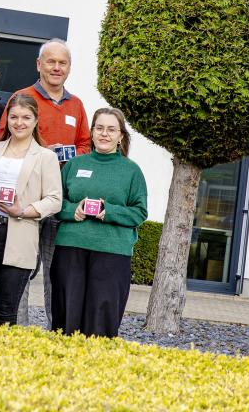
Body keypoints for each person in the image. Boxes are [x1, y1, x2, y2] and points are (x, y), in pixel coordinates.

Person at [0, 38, 90, 325]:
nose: (56, 67)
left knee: (55, 272)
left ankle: (57, 331)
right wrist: (39, 152)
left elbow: (85, 145)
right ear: (39, 65)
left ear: (70, 68)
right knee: (20, 267)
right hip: (24, 198)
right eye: (50, 61)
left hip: (57, 200)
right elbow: (4, 137)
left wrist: (69, 154)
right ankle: (14, 327)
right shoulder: (22, 97)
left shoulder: (76, 105)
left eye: (62, 63)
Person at [0, 94, 62, 326]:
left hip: (19, 234)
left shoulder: (46, 157)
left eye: (26, 117)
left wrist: (24, 210)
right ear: (6, 119)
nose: (19, 123)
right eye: (14, 117)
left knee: (7, 312)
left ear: (36, 120)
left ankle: (2, 361)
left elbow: (55, 199)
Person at [51, 108, 147, 337]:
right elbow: (55, 202)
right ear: (92, 132)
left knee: (101, 320)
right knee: (66, 317)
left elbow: (139, 212)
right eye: (100, 128)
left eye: (111, 129)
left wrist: (108, 211)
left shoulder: (131, 171)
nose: (105, 134)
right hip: (70, 248)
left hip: (112, 252)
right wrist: (72, 210)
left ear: (121, 136)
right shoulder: (74, 165)